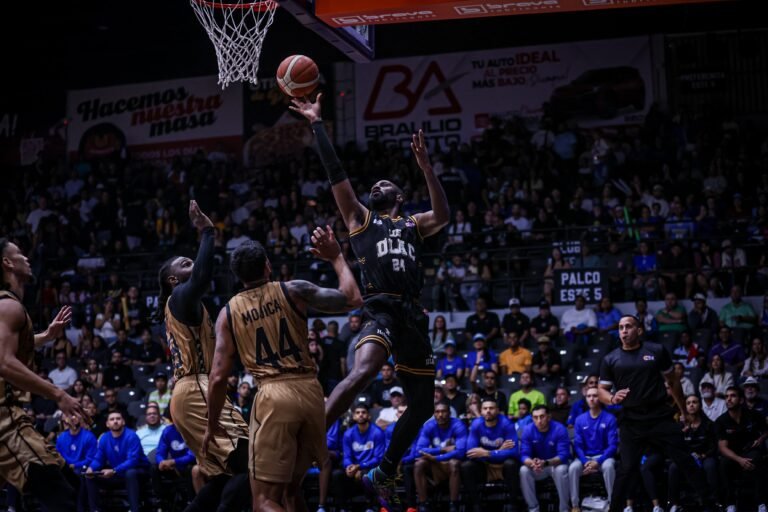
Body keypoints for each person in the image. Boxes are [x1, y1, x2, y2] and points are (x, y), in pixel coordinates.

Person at [293, 94, 450, 508]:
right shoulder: (360, 219)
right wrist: (317, 125)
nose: (376, 185)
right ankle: (312, 436)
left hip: (411, 312)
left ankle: (387, 467)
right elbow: (336, 175)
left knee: (421, 406)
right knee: (363, 372)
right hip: (379, 307)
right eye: (373, 185)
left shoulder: (413, 224)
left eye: (385, 184)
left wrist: (428, 170)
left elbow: (444, 214)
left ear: (399, 195)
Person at [204, 227, 362, 512]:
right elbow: (353, 298)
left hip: (274, 395)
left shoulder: (228, 313)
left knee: (263, 501)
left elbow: (217, 377)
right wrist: (337, 256)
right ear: (267, 265)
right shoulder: (294, 289)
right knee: (291, 491)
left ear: (238, 277)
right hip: (312, 392)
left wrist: (212, 425)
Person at [153, 202, 251, 512]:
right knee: (253, 462)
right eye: (184, 263)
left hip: (193, 390)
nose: (191, 263)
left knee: (225, 477)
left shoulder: (188, 306)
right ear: (173, 280)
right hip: (197, 389)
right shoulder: (180, 296)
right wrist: (208, 232)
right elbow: (203, 275)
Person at [0, 237, 86, 512]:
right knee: (60, 494)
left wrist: (46, 336)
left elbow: (11, 345)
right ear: (7, 263)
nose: (26, 258)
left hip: (13, 415)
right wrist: (58, 394)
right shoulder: (8, 307)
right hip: (4, 419)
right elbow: (4, 361)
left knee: (71, 484)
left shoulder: (9, 307)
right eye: (20, 254)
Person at [598, 315, 714, 512]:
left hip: (660, 416)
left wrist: (683, 411)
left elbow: (674, 382)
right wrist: (612, 399)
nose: (624, 330)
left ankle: (710, 505)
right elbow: (601, 390)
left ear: (639, 330)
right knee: (626, 470)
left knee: (685, 460)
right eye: (620, 327)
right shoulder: (610, 359)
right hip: (631, 420)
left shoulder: (656, 351)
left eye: (628, 326)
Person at [461, 397, 521, 512]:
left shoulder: (507, 424)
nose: (488, 411)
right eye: (485, 408)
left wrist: (486, 452)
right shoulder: (476, 424)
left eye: (491, 408)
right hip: (485, 466)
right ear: (481, 410)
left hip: (503, 466)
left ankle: (513, 504)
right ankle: (476, 505)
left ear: (497, 410)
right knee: (466, 466)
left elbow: (514, 452)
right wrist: (500, 450)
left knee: (511, 463)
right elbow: (470, 452)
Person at [715, 386, 767, 512]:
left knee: (757, 459)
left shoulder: (754, 414)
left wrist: (761, 439)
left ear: (741, 400)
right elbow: (722, 447)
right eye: (727, 396)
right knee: (724, 464)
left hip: (750, 449)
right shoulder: (721, 421)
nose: (729, 399)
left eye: (733, 396)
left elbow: (766, 430)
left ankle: (761, 503)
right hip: (733, 454)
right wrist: (739, 460)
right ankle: (730, 504)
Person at [85, 411, 150, 512]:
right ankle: (95, 510)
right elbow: (98, 458)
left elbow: (133, 461)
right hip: (118, 473)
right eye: (112, 419)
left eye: (118, 419)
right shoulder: (104, 438)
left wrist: (114, 470)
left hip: (139, 472)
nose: (115, 421)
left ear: (123, 422)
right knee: (90, 476)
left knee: (130, 472)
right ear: (107, 424)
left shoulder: (131, 436)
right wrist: (91, 468)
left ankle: (134, 509)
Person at [569, 387, 618, 511]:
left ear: (601, 398)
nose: (591, 398)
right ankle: (575, 505)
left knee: (609, 467)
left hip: (603, 457)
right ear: (585, 399)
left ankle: (613, 504)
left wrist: (598, 462)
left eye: (595, 396)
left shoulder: (610, 418)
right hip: (585, 458)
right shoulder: (579, 419)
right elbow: (578, 446)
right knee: (573, 468)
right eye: (589, 396)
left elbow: (612, 446)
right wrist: (585, 462)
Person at [667, 394, 719, 512]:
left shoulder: (709, 424)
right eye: (688, 403)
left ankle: (711, 503)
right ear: (685, 407)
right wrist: (680, 432)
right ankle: (674, 503)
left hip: (705, 456)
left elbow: (713, 446)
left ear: (700, 405)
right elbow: (675, 447)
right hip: (686, 458)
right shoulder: (680, 426)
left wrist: (703, 455)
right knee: (673, 467)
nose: (691, 405)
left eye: (694, 402)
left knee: (710, 465)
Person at [412, 401, 467, 512]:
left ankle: (453, 504)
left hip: (448, 461)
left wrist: (436, 457)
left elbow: (461, 452)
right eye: (437, 412)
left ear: (449, 413)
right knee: (418, 464)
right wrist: (442, 450)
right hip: (435, 462)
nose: (440, 415)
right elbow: (419, 450)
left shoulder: (458, 425)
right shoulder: (429, 426)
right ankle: (423, 504)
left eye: (443, 411)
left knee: (454, 463)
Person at [330, 404, 386, 510]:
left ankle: (370, 506)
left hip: (370, 468)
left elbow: (378, 458)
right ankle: (343, 508)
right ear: (354, 417)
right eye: (357, 413)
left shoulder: (377, 433)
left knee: (366, 474)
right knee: (336, 475)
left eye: (363, 412)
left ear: (369, 416)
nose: (360, 415)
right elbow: (347, 456)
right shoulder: (348, 434)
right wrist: (349, 466)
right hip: (355, 468)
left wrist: (359, 467)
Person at [519, 405, 571, 512]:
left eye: (542, 416)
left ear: (549, 417)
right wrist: (532, 463)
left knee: (561, 470)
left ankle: (564, 509)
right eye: (535, 417)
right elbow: (524, 455)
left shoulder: (559, 428)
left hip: (555, 465)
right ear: (532, 418)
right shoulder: (528, 430)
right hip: (538, 467)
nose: (539, 420)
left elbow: (564, 455)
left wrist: (546, 462)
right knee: (523, 470)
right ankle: (533, 508)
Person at [153, 407, 196, 512]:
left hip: (189, 465)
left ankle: (191, 501)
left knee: (191, 468)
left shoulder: (191, 430)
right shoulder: (167, 431)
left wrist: (174, 461)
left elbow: (193, 455)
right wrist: (161, 461)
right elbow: (159, 452)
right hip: (173, 467)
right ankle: (160, 502)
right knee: (154, 468)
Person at [55, 415, 98, 511]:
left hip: (82, 468)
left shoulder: (89, 436)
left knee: (79, 474)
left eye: (75, 416)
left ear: (80, 419)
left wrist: (74, 465)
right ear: (65, 420)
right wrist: (66, 466)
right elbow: (58, 457)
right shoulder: (61, 438)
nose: (72, 419)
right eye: (70, 416)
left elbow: (91, 459)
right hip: (65, 468)